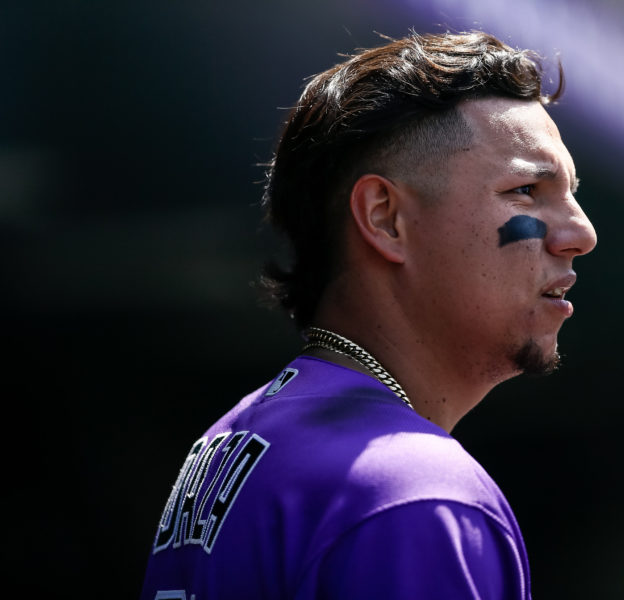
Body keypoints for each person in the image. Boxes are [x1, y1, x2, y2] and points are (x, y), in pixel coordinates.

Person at [140, 30, 596, 600]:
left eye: (573, 195)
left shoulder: (234, 438)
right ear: (384, 219)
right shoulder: (417, 493)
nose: (581, 234)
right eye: (527, 190)